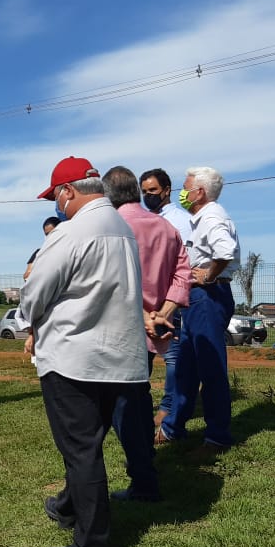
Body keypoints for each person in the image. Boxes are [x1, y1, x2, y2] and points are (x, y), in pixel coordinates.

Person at [21, 158, 148, 547]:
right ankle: (67, 506)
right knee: (88, 443)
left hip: (73, 355)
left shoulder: (70, 233)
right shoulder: (122, 228)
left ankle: (92, 545)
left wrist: (29, 319)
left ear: (69, 190)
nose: (57, 204)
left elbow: (36, 291)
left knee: (80, 450)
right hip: (118, 356)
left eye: (57, 196)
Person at [102, 166, 191, 501]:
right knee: (137, 399)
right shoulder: (167, 228)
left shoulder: (113, 228)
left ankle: (142, 478)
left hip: (119, 330)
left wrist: (143, 316)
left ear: (108, 195)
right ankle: (145, 470)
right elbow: (183, 275)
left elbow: (111, 280)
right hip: (156, 331)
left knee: (119, 408)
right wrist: (162, 314)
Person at [159, 166, 241, 457]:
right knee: (186, 367)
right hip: (199, 297)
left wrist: (207, 276)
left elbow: (225, 251)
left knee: (211, 368)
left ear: (200, 192)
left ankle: (217, 438)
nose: (183, 192)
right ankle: (173, 427)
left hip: (208, 296)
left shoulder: (211, 217)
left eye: (186, 187)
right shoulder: (201, 218)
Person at [139, 168, 191, 429]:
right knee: (143, 355)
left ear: (167, 190)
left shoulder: (180, 221)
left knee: (172, 356)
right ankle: (141, 406)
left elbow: (185, 264)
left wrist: (170, 305)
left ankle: (167, 408)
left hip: (169, 301)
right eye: (144, 192)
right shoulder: (146, 219)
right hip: (146, 302)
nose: (148, 196)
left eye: (153, 191)